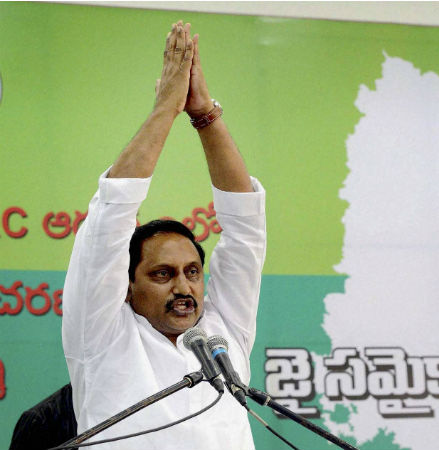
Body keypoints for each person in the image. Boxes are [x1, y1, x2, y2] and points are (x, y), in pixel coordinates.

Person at [61, 20, 266, 450]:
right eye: (162, 274)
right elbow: (111, 213)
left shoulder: (220, 337)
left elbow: (246, 226)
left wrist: (205, 114)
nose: (184, 288)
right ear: (127, 286)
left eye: (192, 272)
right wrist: (167, 108)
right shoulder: (102, 336)